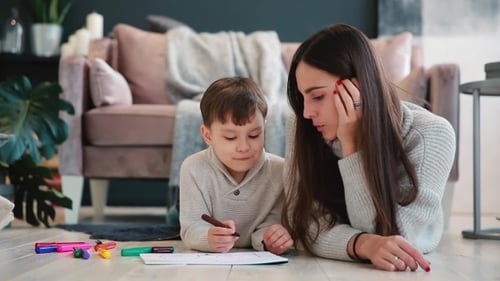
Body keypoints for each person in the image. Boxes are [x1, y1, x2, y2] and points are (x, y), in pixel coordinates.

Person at [282, 23, 456, 272]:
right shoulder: (302, 125)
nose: (307, 113)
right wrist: (361, 244)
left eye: (318, 96)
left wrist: (352, 146)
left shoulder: (432, 134)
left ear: (357, 89)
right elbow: (302, 222)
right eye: (302, 97)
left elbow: (398, 238)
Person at [179, 77, 293, 254]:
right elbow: (191, 228)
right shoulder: (193, 168)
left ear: (265, 128)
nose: (244, 147)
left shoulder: (279, 170)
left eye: (254, 135)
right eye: (230, 138)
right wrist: (208, 237)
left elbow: (270, 224)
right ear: (207, 135)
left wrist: (271, 239)